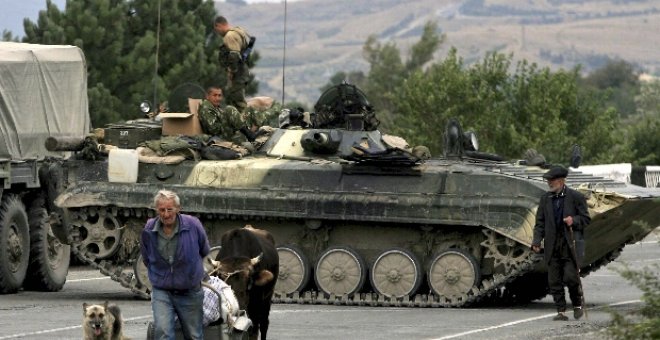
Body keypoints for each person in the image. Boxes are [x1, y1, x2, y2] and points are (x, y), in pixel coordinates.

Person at [141, 190, 211, 339]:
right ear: (156, 210)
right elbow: (147, 258)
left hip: (190, 290)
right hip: (162, 291)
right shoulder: (149, 229)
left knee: (194, 335)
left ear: (178, 209)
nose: (166, 214)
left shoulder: (192, 225)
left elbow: (204, 249)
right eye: (161, 210)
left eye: (169, 209)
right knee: (163, 332)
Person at [531, 166, 591, 321]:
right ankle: (561, 311)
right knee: (554, 280)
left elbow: (586, 219)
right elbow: (540, 223)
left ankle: (577, 304)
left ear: (561, 181)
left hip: (570, 244)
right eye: (548, 180)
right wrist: (537, 241)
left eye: (552, 180)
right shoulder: (545, 199)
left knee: (571, 277)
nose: (549, 183)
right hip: (552, 244)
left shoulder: (576, 197)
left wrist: (574, 220)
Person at [214, 15, 251, 113]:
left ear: (218, 26)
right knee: (233, 100)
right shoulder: (238, 32)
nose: (217, 32)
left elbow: (234, 55)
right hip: (242, 72)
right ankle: (239, 124)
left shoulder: (229, 36)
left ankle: (246, 125)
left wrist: (232, 71)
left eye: (216, 29)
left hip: (238, 73)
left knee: (238, 102)